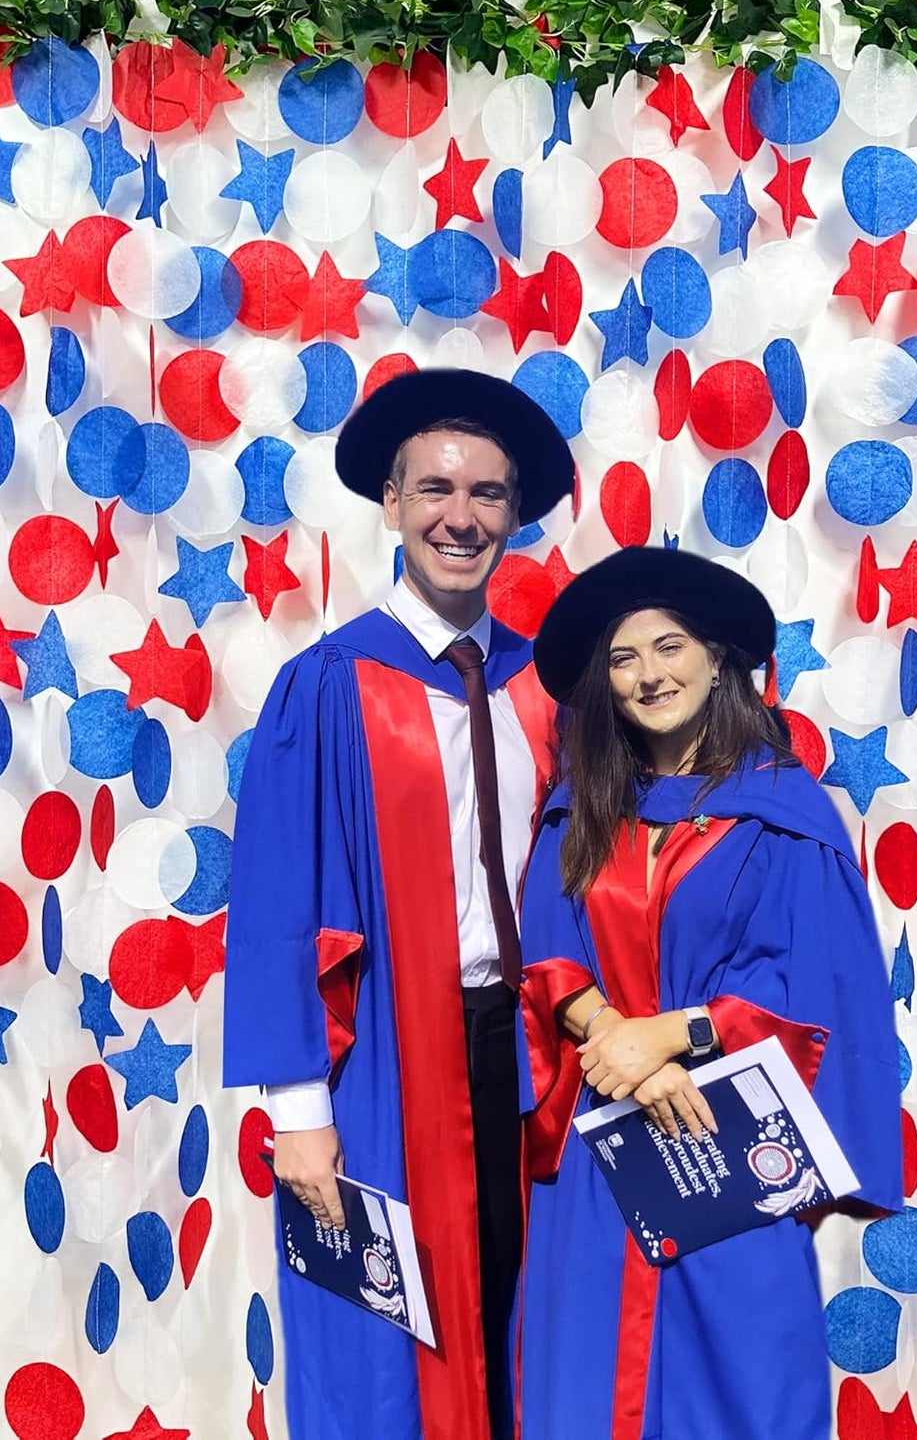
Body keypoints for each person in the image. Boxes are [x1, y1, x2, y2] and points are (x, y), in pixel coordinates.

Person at [223, 368, 572, 1440]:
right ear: (389, 503)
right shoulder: (328, 685)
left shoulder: (546, 687)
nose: (459, 517)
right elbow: (279, 910)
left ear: (514, 513)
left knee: (532, 1318)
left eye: (486, 493)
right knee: (390, 1351)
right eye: (434, 488)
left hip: (534, 1055)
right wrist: (298, 1115)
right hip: (385, 1054)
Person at [515, 546, 904, 1440]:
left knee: (741, 1380)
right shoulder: (581, 806)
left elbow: (810, 984)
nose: (648, 675)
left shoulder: (783, 811)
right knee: (585, 1380)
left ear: (716, 657)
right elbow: (546, 952)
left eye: (669, 646)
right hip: (604, 1135)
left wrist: (670, 1036)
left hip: (722, 1137)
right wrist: (619, 1040)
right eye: (623, 659)